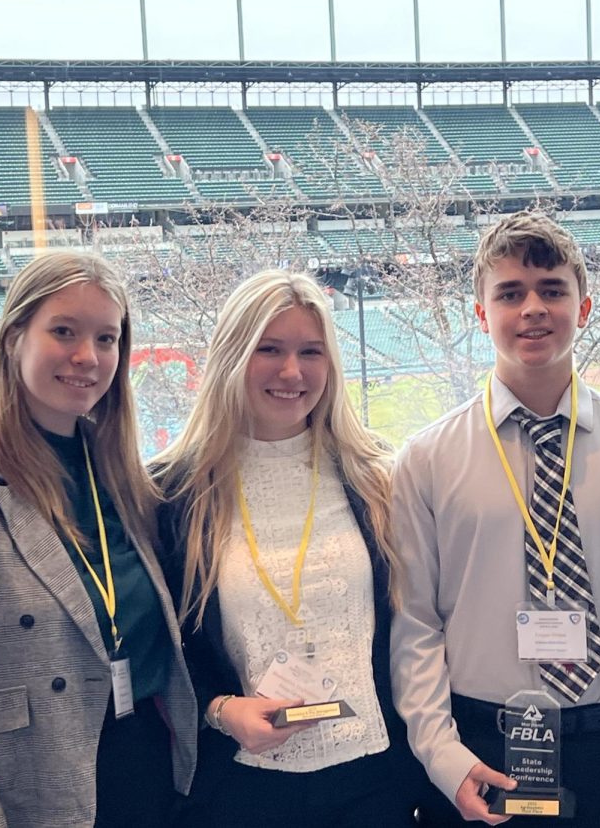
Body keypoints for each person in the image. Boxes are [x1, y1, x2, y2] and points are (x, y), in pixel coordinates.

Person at [390, 212, 600, 828]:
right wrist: (442, 756)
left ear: (585, 307)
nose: (533, 308)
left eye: (552, 290)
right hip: (478, 752)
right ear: (481, 314)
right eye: (510, 293)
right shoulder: (427, 458)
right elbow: (415, 625)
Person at [0, 251, 197, 828]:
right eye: (64, 332)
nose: (88, 356)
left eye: (107, 339)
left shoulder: (115, 466)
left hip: (148, 767)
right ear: (14, 338)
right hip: (36, 784)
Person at [152, 269, 428, 828]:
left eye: (311, 352)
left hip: (375, 781)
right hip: (240, 788)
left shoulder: (376, 478)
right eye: (269, 349)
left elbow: (416, 631)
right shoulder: (171, 493)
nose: (292, 371)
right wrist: (222, 710)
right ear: (232, 356)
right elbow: (165, 647)